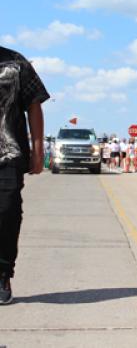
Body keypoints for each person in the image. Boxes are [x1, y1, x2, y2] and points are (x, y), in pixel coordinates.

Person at [0, 45, 49, 304]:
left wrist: (37, 150)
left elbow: (34, 105)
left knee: (7, 212)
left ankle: (3, 272)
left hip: (8, 153)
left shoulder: (16, 63)